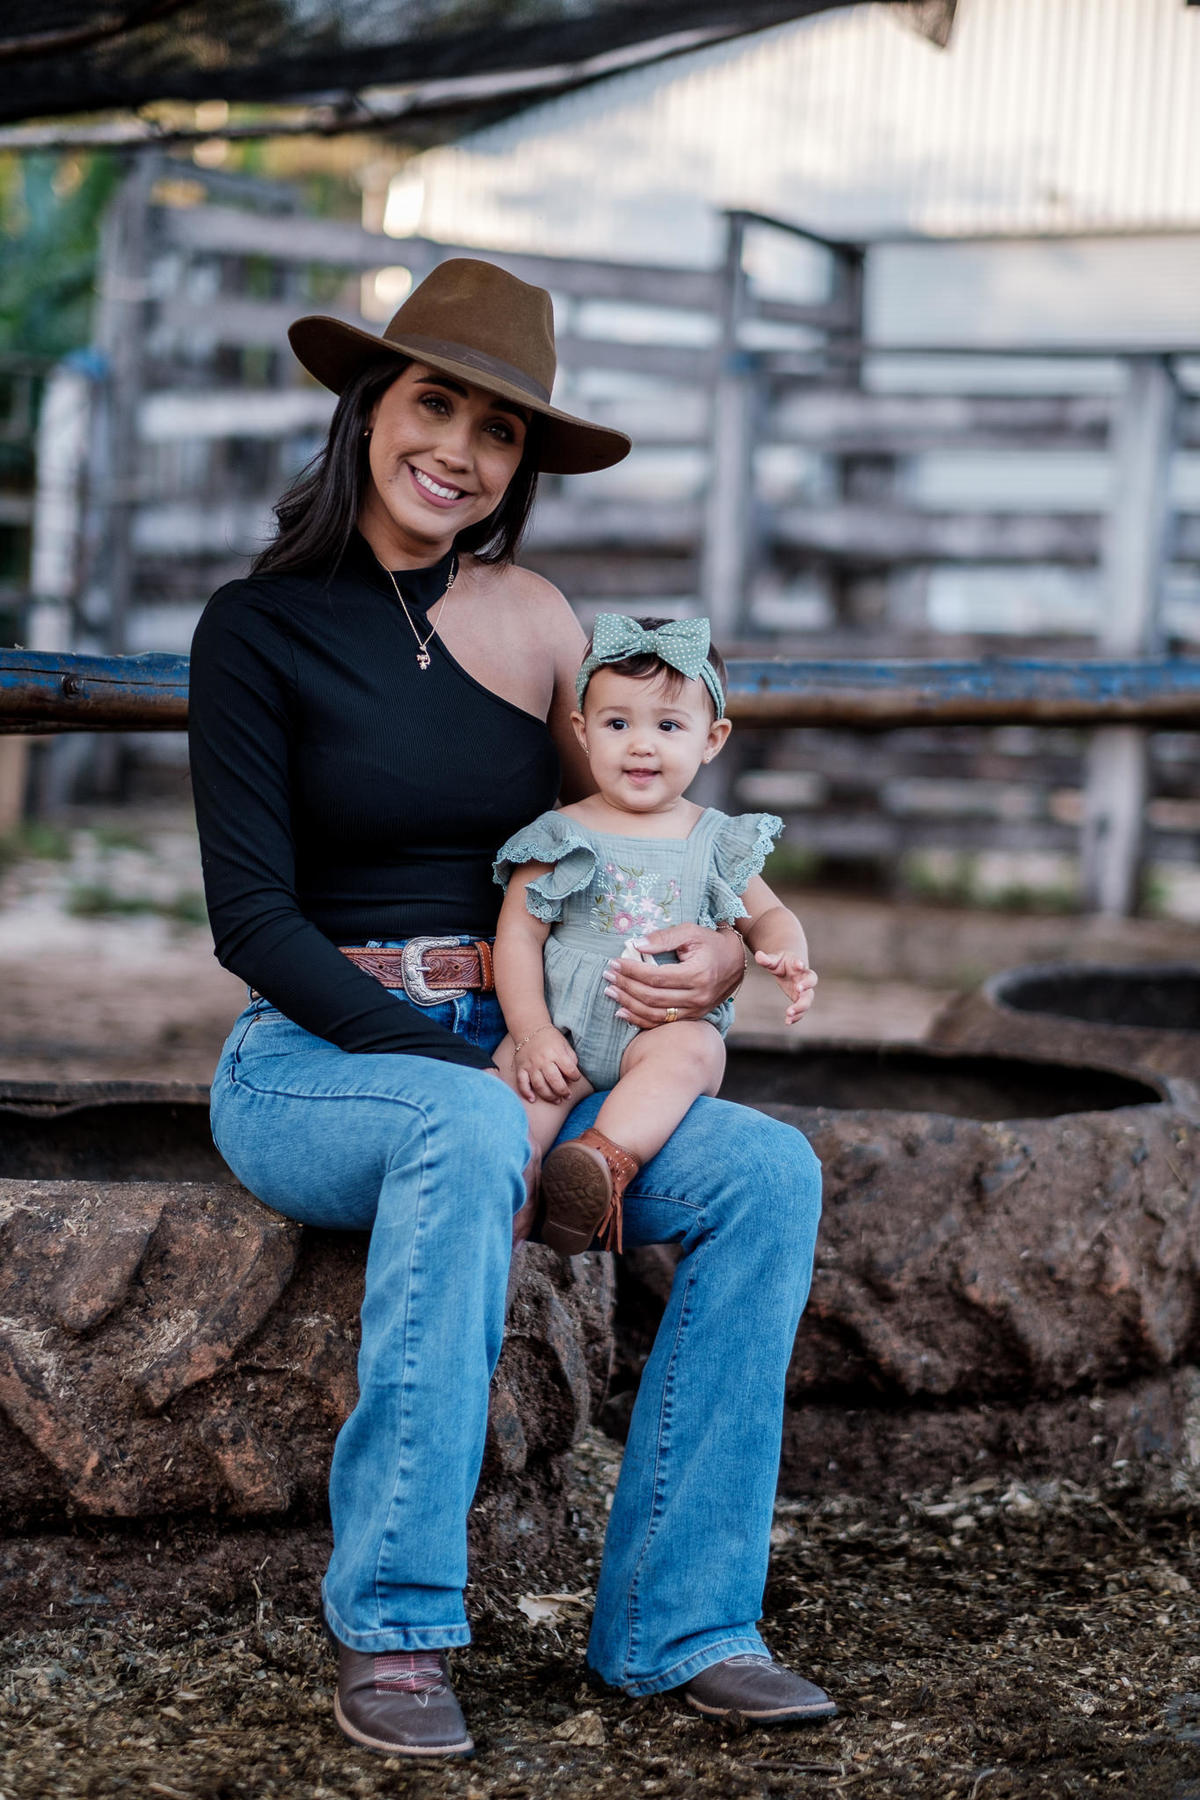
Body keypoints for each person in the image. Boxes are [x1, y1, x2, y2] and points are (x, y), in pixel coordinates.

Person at [187, 256, 833, 1761]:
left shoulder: (540, 618)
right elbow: (252, 921)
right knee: (467, 1129)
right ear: (370, 408)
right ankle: (398, 1626)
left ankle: (683, 1626)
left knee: (769, 1173)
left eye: (498, 431)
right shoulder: (256, 629)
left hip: (527, 1044)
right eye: (435, 406)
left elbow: (630, 835)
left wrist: (719, 962)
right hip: (315, 1058)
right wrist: (463, 1070)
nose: (460, 453)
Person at [492, 612, 815, 1257]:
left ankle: (599, 1162)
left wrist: (787, 953)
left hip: (658, 1034)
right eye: (618, 724)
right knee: (503, 1142)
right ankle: (517, 1215)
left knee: (695, 1049)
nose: (641, 746)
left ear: (712, 739)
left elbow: (768, 916)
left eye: (668, 726)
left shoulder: (716, 839)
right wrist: (531, 1034)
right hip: (561, 1033)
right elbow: (518, 939)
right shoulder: (560, 833)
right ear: (581, 732)